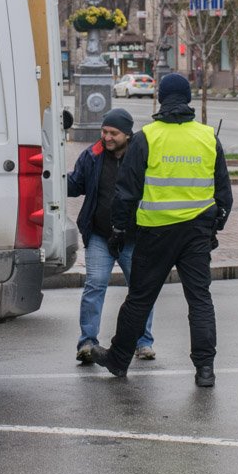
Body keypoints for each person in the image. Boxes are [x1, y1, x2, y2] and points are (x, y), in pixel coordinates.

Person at [91, 73, 234, 388]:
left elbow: (126, 192)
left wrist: (118, 229)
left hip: (155, 234)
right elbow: (224, 195)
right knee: (199, 300)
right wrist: (214, 227)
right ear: (188, 99)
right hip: (196, 233)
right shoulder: (208, 137)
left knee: (140, 299)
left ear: (160, 98)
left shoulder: (146, 138)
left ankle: (117, 360)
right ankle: (205, 369)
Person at [67, 108, 154, 364]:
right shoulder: (93, 155)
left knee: (140, 290)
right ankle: (87, 342)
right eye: (104, 132)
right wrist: (54, 176)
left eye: (113, 133)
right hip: (100, 235)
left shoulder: (141, 155)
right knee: (95, 285)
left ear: (127, 134)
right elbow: (76, 184)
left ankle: (144, 341)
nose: (106, 137)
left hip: (133, 236)